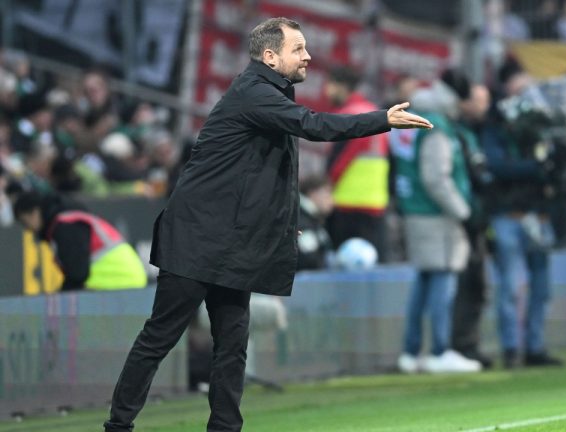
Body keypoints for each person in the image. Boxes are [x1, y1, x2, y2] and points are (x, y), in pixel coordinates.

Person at [103, 17, 432, 432]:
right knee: (160, 337)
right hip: (196, 237)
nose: (308, 56)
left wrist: (283, 222)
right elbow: (313, 125)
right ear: (270, 56)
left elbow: (264, 175)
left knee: (232, 344)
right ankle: (118, 427)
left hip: (230, 242)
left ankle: (225, 429)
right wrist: (382, 119)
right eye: (299, 48)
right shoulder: (254, 93)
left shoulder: (270, 94)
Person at [393, 69, 481, 374]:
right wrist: (463, 212)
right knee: (443, 278)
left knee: (424, 280)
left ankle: (411, 351)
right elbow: (436, 178)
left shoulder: (413, 116)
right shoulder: (436, 125)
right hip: (435, 212)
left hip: (414, 208)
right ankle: (439, 350)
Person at [483, 69, 562, 369]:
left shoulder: (542, 127)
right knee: (510, 288)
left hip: (538, 215)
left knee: (541, 288)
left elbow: (557, 164)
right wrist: (537, 166)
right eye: (520, 91)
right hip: (508, 215)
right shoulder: (495, 127)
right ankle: (511, 349)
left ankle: (535, 347)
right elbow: (498, 166)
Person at [12, 191, 146, 291]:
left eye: (24, 222)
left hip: (117, 284)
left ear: (34, 212)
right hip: (127, 281)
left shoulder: (65, 227)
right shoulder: (71, 219)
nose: (27, 229)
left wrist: (59, 298)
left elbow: (77, 273)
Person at [324, 66, 390, 260]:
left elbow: (338, 162)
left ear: (342, 86)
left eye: (330, 85)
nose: (326, 91)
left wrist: (326, 187)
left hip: (348, 205)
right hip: (375, 203)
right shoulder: (374, 112)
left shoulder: (349, 115)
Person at [450, 84, 494, 369]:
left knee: (477, 286)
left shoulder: (478, 131)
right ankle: (460, 346)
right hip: (461, 218)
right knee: (464, 285)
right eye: (477, 101)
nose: (482, 107)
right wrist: (465, 212)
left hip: (476, 217)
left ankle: (469, 344)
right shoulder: (455, 132)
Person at [297, 175, 334, 271]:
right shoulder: (301, 220)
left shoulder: (312, 219)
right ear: (313, 193)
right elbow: (309, 261)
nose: (332, 200)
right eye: (328, 193)